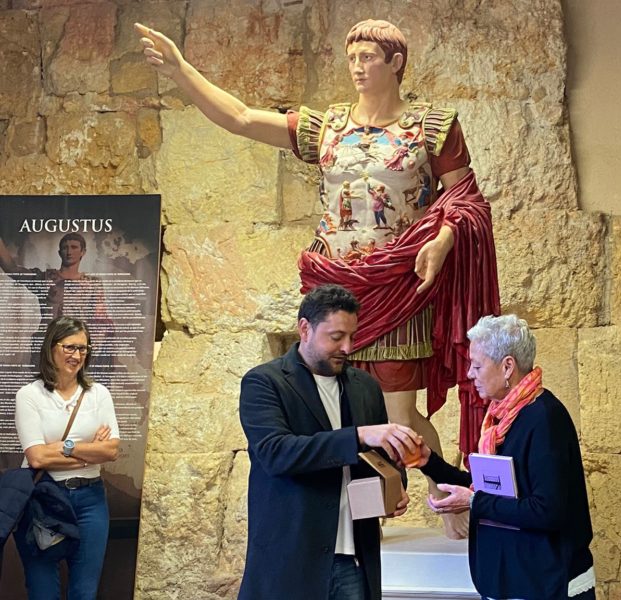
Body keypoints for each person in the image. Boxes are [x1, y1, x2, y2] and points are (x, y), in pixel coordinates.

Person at [135, 18, 501, 538]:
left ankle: (449, 499)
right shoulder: (326, 126)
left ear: (395, 62)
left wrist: (442, 240)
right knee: (342, 411)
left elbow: (465, 198)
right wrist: (181, 71)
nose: (357, 66)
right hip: (334, 285)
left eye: (368, 56)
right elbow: (241, 118)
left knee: (400, 414)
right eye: (352, 57)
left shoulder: (431, 126)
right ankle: (369, 519)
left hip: (398, 283)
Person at [238, 284, 420, 600]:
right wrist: (358, 435)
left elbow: (383, 459)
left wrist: (394, 488)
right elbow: (276, 453)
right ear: (305, 328)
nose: (347, 347)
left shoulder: (365, 386)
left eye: (352, 336)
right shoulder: (264, 382)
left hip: (355, 561)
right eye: (336, 337)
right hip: (292, 562)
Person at [412, 315, 596, 600]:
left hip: (544, 583)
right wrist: (429, 462)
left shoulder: (545, 418)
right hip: (513, 579)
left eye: (477, 366)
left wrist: (473, 502)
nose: (470, 374)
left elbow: (547, 510)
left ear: (507, 366)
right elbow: (490, 488)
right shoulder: (500, 418)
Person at [13, 316, 120, 600]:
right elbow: (37, 457)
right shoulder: (29, 395)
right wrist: (89, 452)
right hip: (43, 497)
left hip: (90, 500)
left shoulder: (98, 394)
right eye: (70, 347)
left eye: (83, 348)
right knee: (43, 591)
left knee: (84, 592)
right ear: (52, 347)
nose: (77, 355)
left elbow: (111, 450)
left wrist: (66, 447)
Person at [0, 233, 113, 369]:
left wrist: (89, 350)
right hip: (48, 348)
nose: (69, 251)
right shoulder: (45, 278)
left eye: (74, 247)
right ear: (59, 252)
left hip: (76, 349)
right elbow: (12, 269)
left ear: (83, 252)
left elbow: (99, 320)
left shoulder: (93, 283)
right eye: (65, 247)